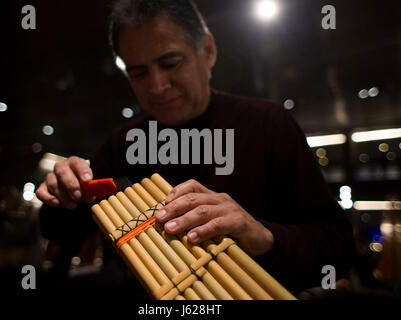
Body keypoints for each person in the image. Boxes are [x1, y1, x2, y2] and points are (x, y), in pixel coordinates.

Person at [36, 0, 357, 295]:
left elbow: (338, 248)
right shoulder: (122, 144)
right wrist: (61, 195)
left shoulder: (268, 124)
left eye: (171, 63)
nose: (157, 86)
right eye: (138, 73)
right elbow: (59, 229)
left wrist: (265, 239)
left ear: (208, 50)